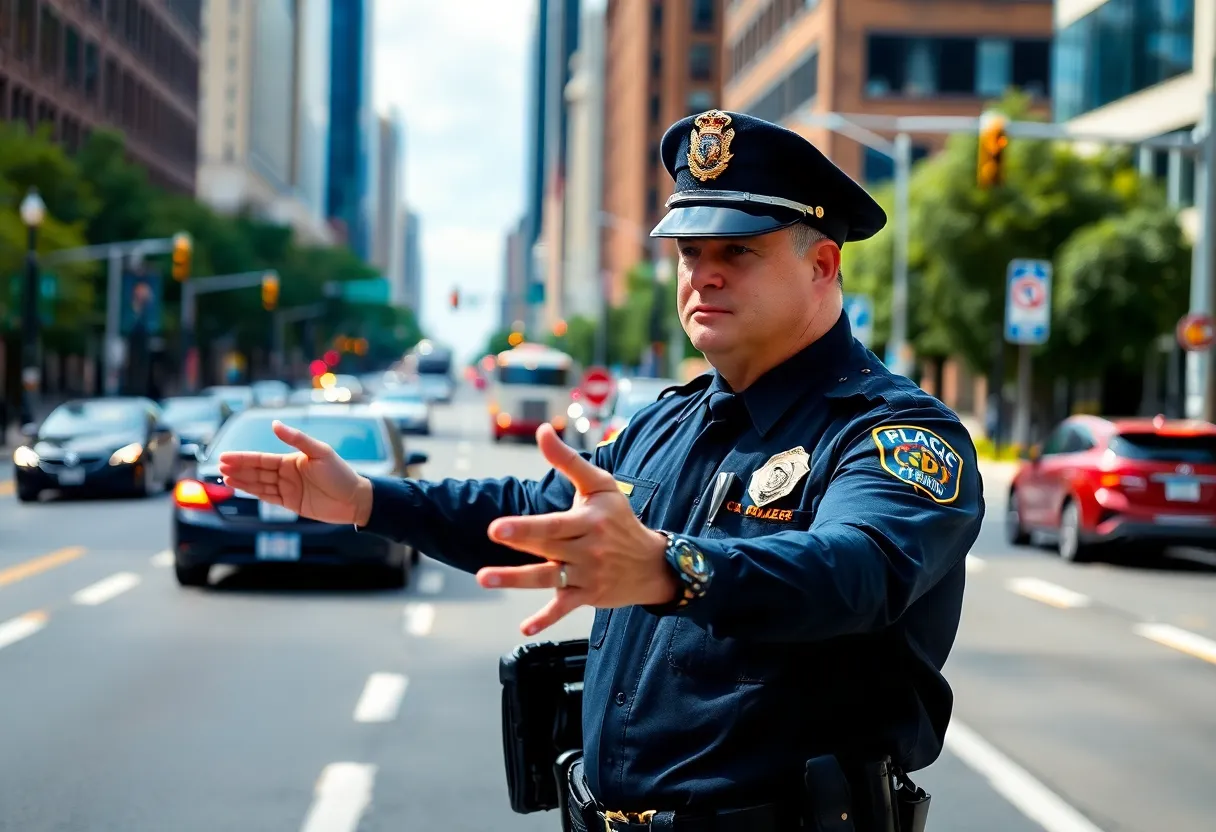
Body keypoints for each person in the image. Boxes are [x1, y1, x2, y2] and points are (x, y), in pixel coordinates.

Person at [219, 110, 985, 831]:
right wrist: (366, 499)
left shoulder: (891, 432)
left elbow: (856, 569)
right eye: (690, 252)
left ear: (822, 263)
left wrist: (672, 567)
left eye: (737, 251)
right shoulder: (666, 422)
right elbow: (534, 511)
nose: (703, 275)